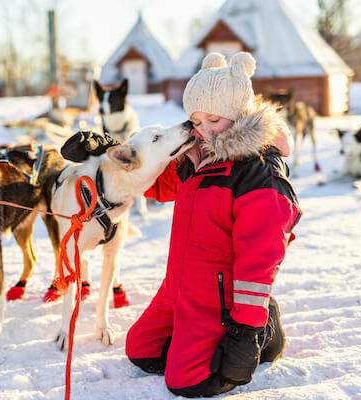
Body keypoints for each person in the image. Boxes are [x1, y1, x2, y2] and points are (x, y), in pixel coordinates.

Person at [124, 52, 302, 397]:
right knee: (141, 349)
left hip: (220, 294)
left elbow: (261, 257)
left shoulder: (257, 173)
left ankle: (264, 326)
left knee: (186, 382)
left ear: (237, 115)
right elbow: (161, 186)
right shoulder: (199, 154)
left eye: (213, 120)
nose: (202, 130)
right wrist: (118, 159)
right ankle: (200, 338)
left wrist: (244, 330)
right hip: (179, 284)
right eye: (196, 120)